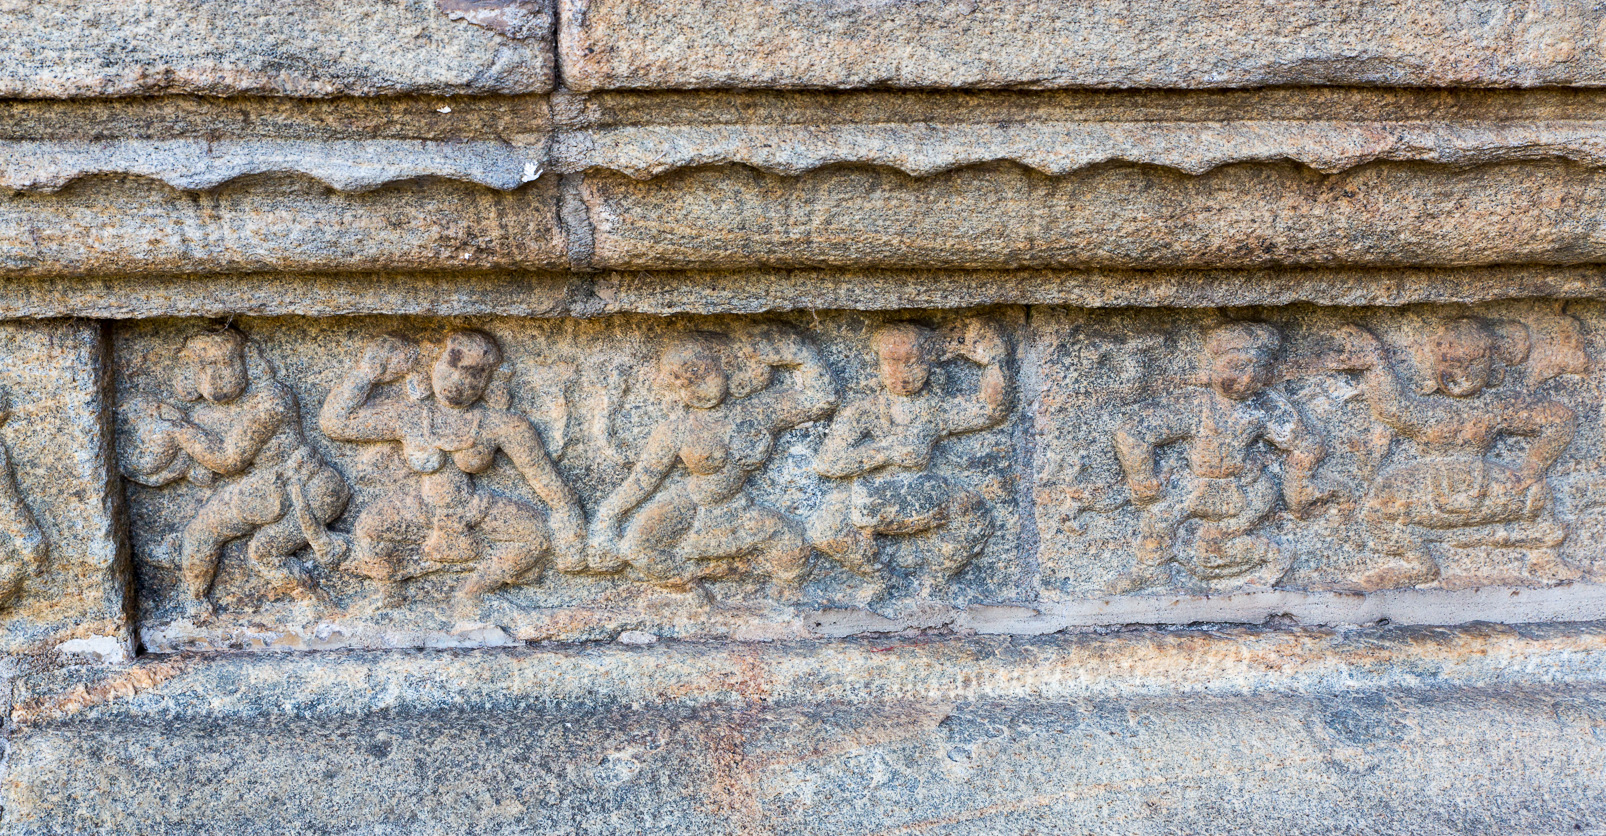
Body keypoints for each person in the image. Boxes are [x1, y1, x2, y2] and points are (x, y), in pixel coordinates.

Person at [319, 330, 585, 611]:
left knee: (536, 533)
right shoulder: (411, 415)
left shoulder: (501, 424)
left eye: (474, 375)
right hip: (420, 507)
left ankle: (473, 591)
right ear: (434, 363)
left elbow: (542, 476)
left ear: (489, 381)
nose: (459, 382)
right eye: (452, 366)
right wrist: (367, 372)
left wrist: (568, 514)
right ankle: (390, 594)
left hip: (475, 508)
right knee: (367, 529)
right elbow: (336, 423)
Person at [589, 324, 838, 598]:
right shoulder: (677, 429)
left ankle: (782, 599)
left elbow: (821, 399)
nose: (693, 388)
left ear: (725, 363)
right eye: (681, 380)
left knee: (792, 545)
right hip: (690, 505)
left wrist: (804, 356)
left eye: (699, 373)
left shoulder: (756, 412)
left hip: (739, 508)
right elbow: (643, 479)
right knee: (636, 547)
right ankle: (689, 590)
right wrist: (607, 516)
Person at [122, 329, 348, 622]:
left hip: (310, 489)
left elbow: (228, 460)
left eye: (225, 364)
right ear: (189, 371)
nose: (215, 378)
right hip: (270, 489)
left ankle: (313, 603)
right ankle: (193, 586)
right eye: (204, 366)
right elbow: (203, 471)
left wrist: (178, 430)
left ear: (247, 360)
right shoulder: (209, 414)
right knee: (210, 532)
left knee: (256, 551)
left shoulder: (271, 399)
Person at [1335, 319, 1578, 587]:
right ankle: (1418, 563)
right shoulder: (1427, 410)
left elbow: (1561, 419)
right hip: (1425, 486)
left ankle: (1543, 556)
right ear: (1435, 365)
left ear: (1494, 367)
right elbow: (1391, 407)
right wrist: (1376, 362)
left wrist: (1533, 467)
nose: (1461, 373)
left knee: (1538, 494)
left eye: (1472, 364)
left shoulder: (1495, 406)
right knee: (1378, 504)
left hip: (1482, 484)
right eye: (1451, 363)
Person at [1112, 322, 1327, 592]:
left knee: (1211, 546)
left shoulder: (1265, 405)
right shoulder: (1196, 404)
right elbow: (1132, 433)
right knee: (1158, 520)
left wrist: (1297, 487)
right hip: (1197, 484)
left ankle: (1273, 556)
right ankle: (1151, 571)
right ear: (1213, 366)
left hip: (1247, 490)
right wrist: (1142, 477)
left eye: (1257, 369)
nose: (1247, 378)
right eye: (1236, 366)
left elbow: (1306, 443)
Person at [808, 319, 1011, 591]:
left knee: (976, 518)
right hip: (870, 491)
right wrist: (887, 452)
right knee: (823, 530)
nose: (901, 373)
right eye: (891, 362)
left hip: (923, 489)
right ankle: (882, 578)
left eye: (912, 362)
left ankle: (935, 579)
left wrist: (995, 361)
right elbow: (827, 462)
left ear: (928, 364)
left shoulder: (933, 409)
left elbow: (989, 409)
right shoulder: (863, 411)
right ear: (877, 365)